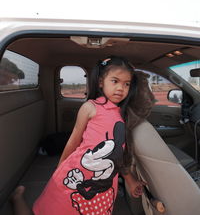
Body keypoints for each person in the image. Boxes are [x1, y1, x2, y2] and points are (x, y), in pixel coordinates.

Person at [11, 56, 147, 215]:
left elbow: (117, 155)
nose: (120, 88)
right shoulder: (90, 107)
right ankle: (17, 198)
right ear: (101, 82)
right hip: (76, 175)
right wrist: (59, 168)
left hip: (102, 185)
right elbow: (73, 141)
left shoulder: (123, 115)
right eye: (115, 81)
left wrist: (130, 181)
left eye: (127, 84)